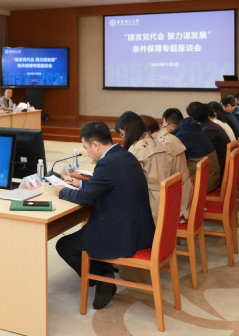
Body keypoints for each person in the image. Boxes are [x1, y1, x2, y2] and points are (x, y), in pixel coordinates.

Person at [52, 122, 154, 310]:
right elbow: (112, 185)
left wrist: (61, 191)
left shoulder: (107, 163)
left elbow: (85, 199)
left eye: (86, 148)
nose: (87, 153)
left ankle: (102, 277)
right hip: (138, 227)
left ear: (96, 145)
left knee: (64, 245)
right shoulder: (125, 155)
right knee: (84, 231)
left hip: (121, 233)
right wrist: (82, 184)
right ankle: (102, 273)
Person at [115, 112, 188, 221]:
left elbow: (130, 181)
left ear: (129, 130)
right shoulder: (156, 142)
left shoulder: (137, 148)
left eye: (122, 134)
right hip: (167, 199)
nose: (123, 137)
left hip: (152, 205)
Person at [143, 114, 192, 220]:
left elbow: (162, 175)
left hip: (178, 199)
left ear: (147, 132)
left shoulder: (162, 143)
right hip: (182, 188)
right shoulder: (168, 137)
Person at [172, 107, 221, 192]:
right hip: (212, 178)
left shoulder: (183, 134)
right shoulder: (193, 128)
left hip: (204, 184)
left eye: (164, 126)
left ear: (172, 126)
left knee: (170, 183)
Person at [188, 102, 228, 191]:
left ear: (192, 118)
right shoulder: (210, 125)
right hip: (223, 168)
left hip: (219, 174)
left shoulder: (207, 130)